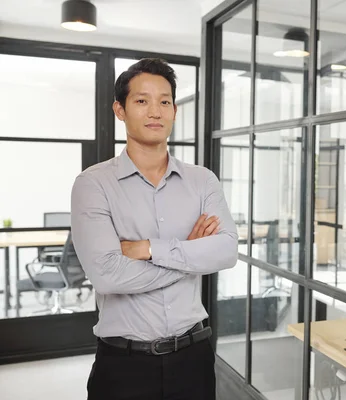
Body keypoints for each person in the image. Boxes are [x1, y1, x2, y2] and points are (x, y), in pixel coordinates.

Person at [71, 58, 238, 400]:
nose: (156, 111)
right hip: (123, 364)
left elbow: (226, 251)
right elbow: (108, 276)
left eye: (164, 101)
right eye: (142, 100)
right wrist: (190, 253)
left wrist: (148, 248)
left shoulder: (202, 180)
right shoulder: (93, 184)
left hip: (194, 357)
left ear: (175, 111)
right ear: (120, 110)